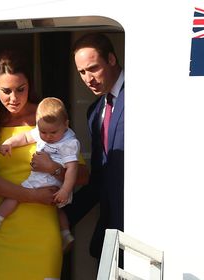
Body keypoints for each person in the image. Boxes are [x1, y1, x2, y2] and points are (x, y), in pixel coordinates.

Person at [0, 50, 89, 280]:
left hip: (44, 231)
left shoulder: (48, 117)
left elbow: (82, 175)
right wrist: (32, 195)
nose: (14, 98)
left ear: (29, 85)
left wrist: (53, 168)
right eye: (6, 91)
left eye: (20, 89)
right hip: (2, 229)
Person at [0, 97, 79, 251]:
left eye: (53, 132)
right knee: (58, 209)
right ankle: (65, 233)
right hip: (54, 183)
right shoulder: (45, 131)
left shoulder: (69, 143)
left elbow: (73, 169)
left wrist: (65, 189)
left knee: (16, 194)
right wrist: (9, 143)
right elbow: (25, 137)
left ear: (66, 125)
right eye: (43, 131)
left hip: (48, 180)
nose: (48, 136)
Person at [57, 32, 125, 261]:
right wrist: (61, 216)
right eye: (82, 72)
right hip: (112, 237)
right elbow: (100, 179)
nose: (88, 79)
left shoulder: (145, 96)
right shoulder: (95, 111)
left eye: (93, 68)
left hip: (144, 231)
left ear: (112, 59)